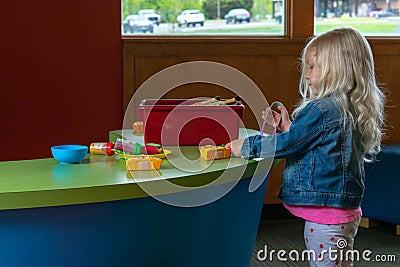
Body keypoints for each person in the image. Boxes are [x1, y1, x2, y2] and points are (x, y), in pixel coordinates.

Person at [226, 27, 386, 267]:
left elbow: (288, 145)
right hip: (342, 210)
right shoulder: (351, 105)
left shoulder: (321, 109)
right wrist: (288, 125)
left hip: (326, 216)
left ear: (336, 68)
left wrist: (247, 146)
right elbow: (319, 143)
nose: (307, 75)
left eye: (312, 67)